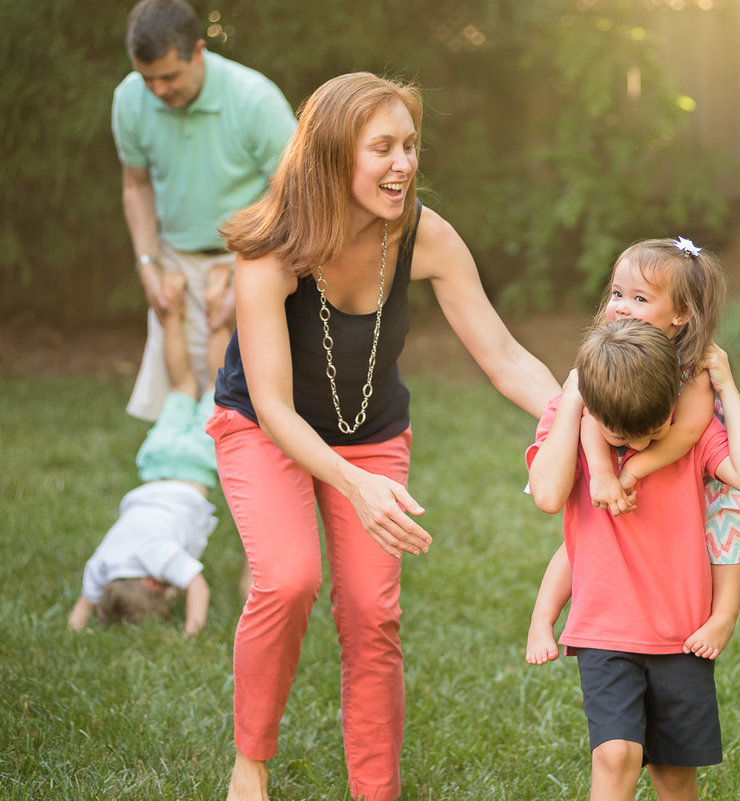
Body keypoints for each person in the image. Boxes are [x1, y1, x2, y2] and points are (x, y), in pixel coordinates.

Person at [207, 72, 561, 801]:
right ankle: (251, 759)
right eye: (383, 148)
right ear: (336, 155)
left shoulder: (423, 234)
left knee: (372, 611)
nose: (404, 163)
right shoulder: (269, 248)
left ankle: (378, 790)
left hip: (370, 432)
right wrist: (353, 483)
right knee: (289, 576)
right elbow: (272, 405)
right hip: (264, 428)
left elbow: (501, 354)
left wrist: (576, 420)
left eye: (410, 145)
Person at [526, 319, 740, 801]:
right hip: (605, 630)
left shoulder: (693, 437)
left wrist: (726, 386)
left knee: (676, 774)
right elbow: (549, 495)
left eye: (653, 430)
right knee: (615, 755)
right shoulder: (577, 430)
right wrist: (575, 400)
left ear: (674, 410)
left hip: (681, 635)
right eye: (620, 434)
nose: (635, 444)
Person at [525, 237, 740, 666]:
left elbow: (682, 435)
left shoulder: (695, 368)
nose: (622, 306)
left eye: (639, 298)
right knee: (587, 536)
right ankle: (543, 616)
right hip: (615, 459)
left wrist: (632, 471)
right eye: (617, 294)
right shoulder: (608, 358)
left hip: (698, 469)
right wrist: (605, 475)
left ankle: (724, 614)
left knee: (724, 525)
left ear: (681, 314)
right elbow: (590, 418)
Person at [113, 0, 296, 421]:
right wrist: (148, 265)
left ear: (198, 52)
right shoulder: (127, 100)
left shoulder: (254, 99)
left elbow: (298, 199)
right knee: (181, 407)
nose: (158, 91)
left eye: (169, 77)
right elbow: (136, 186)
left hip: (251, 260)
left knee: (247, 412)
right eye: (147, 79)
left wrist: (250, 279)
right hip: (175, 263)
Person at [68, 268, 233, 636]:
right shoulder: (104, 564)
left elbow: (197, 587)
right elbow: (83, 605)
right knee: (183, 384)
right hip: (156, 460)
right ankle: (173, 307)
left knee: (216, 382)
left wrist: (193, 633)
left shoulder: (159, 560)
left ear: (149, 583)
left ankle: (218, 301)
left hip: (193, 463)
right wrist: (77, 628)